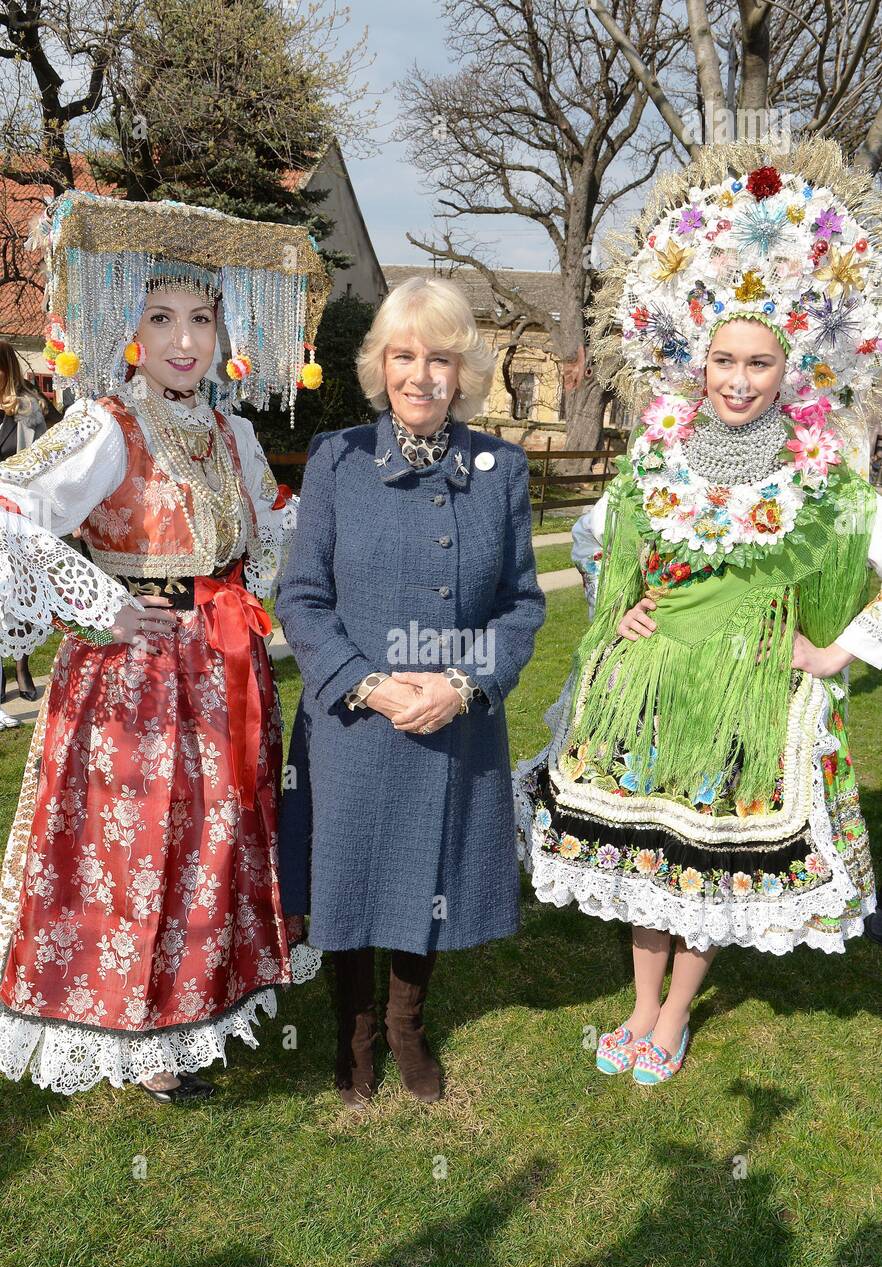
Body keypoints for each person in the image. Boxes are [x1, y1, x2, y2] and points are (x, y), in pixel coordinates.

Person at [514, 137, 882, 1085]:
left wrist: (839, 652)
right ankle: (640, 1001)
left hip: (748, 696)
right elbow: (596, 543)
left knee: (707, 859)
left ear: (790, 369)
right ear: (697, 357)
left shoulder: (828, 474)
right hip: (649, 686)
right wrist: (616, 609)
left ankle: (675, 1011)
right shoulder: (655, 457)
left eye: (760, 363)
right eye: (724, 358)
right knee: (645, 852)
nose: (738, 379)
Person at [0, 190, 328, 1097]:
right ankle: (132, 1030)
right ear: (129, 330)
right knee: (137, 846)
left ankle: (198, 1001)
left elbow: (275, 534)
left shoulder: (234, 433)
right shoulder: (107, 424)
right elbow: (11, 506)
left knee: (213, 841)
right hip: (135, 678)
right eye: (161, 319)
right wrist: (93, 600)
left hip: (225, 672)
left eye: (203, 319)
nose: (186, 341)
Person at [275, 275, 545, 1107]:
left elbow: (522, 603)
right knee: (349, 875)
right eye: (403, 356)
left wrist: (465, 684)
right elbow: (302, 598)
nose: (421, 375)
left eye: (439, 358)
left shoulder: (500, 468)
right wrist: (369, 685)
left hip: (451, 718)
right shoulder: (339, 459)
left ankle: (405, 1025)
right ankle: (353, 1033)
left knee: (425, 872)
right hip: (354, 719)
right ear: (378, 366)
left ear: (463, 371)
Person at [0, 341, 54, 725]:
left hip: (16, 516)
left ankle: (22, 667)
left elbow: (46, 461)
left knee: (19, 595)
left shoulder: (29, 408)